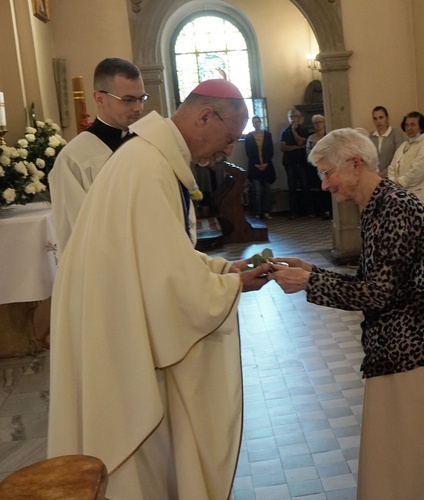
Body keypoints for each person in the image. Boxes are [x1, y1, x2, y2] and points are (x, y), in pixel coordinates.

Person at [47, 79, 272, 499]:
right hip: (119, 342)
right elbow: (168, 283)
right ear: (205, 115)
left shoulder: (146, 159)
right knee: (136, 461)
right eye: (229, 138)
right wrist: (231, 286)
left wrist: (223, 269)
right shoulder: (147, 167)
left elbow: (159, 259)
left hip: (116, 324)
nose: (228, 150)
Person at [270, 128, 424, 499]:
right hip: (401, 348)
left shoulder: (393, 208)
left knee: (414, 455)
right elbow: (372, 280)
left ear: (355, 164)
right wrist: (312, 272)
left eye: (328, 173)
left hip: (416, 349)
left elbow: (376, 293)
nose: (326, 184)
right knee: (399, 452)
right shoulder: (377, 206)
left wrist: (308, 284)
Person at [50, 57, 146, 253]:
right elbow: (77, 230)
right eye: (128, 100)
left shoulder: (147, 144)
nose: (139, 108)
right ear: (100, 98)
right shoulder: (74, 158)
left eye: (142, 98)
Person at [388, 111, 424, 207]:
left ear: (421, 127)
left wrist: (399, 182)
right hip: (399, 195)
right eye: (407, 125)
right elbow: (392, 167)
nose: (409, 128)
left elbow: (418, 172)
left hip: (417, 197)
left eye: (413, 125)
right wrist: (392, 182)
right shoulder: (404, 145)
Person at [280, 108, 310, 218]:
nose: (293, 119)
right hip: (290, 163)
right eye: (291, 117)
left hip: (301, 162)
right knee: (292, 187)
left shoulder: (304, 130)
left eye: (295, 116)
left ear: (299, 118)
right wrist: (297, 147)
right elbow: (283, 147)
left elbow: (301, 141)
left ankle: (307, 211)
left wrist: (293, 131)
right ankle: (294, 212)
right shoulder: (284, 131)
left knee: (305, 186)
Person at [244, 115, 276, 219]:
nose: (256, 124)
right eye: (254, 122)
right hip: (255, 167)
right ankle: (257, 213)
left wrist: (266, 163)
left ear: (260, 122)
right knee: (257, 191)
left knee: (267, 190)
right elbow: (248, 152)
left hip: (267, 166)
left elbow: (271, 150)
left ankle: (267, 212)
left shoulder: (267, 135)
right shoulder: (248, 137)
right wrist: (256, 164)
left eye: (257, 122)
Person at [306, 114, 331, 219]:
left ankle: (330, 210)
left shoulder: (329, 136)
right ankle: (322, 210)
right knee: (319, 189)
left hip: (330, 166)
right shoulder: (311, 138)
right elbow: (308, 154)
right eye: (315, 123)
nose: (318, 125)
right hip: (316, 167)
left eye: (320, 122)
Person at [370, 105, 404, 177]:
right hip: (374, 176)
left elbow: (398, 157)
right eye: (375, 119)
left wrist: (384, 173)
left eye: (381, 117)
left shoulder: (396, 133)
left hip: (392, 176)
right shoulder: (371, 136)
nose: (378, 121)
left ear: (387, 118)